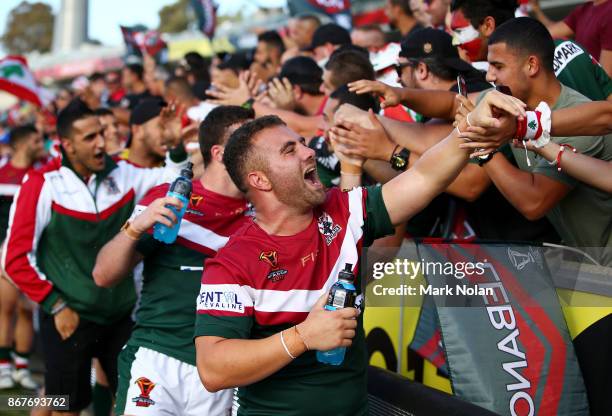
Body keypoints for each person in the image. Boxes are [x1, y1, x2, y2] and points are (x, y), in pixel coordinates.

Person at [192, 96, 509, 414]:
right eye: (290, 151)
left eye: (302, 143)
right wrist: (303, 336)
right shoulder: (232, 263)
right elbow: (213, 369)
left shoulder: (343, 210)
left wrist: (467, 128)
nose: (309, 151)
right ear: (259, 180)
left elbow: (425, 177)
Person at [1, 99, 188, 415]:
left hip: (122, 315)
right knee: (63, 406)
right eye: (90, 137)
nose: (101, 142)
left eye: (101, 133)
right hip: (67, 316)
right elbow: (15, 258)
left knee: (130, 400)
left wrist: (176, 144)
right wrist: (56, 305)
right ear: (68, 145)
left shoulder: (126, 173)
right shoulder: (42, 183)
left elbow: (177, 187)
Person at [93, 105, 254, 416]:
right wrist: (135, 227)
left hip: (222, 368)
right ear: (220, 153)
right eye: (246, 140)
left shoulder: (265, 211)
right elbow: (103, 275)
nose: (257, 148)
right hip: (158, 357)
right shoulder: (171, 200)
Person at [450, 0, 612, 101]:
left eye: (459, 32)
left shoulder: (519, 79)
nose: (455, 41)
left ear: (488, 25)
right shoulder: (565, 38)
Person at [0, 125, 45, 390]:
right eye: (37, 139)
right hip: (4, 250)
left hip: (34, 251)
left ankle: (22, 366)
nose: (42, 143)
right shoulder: (3, 169)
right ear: (22, 143)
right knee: (5, 307)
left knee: (27, 310)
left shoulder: (42, 172)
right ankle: (3, 366)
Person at [530, 0, 612, 76]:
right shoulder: (584, 9)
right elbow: (550, 32)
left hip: (594, 88)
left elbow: (606, 76)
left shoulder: (609, 13)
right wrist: (536, 10)